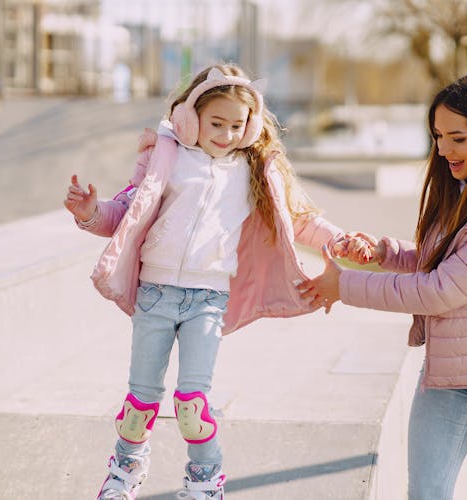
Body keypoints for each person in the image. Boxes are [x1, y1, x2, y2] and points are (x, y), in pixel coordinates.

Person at [63, 63, 358, 500]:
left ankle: (205, 481)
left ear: (251, 126)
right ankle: (125, 470)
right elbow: (125, 213)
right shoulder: (166, 158)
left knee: (191, 406)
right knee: (140, 403)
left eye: (237, 126)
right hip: (155, 293)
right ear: (189, 118)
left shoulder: (254, 170)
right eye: (215, 123)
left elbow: (298, 220)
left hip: (208, 298)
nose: (225, 134)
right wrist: (89, 212)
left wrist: (343, 241)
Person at [298, 73, 467, 500]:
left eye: (456, 138)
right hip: (450, 372)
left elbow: (441, 290)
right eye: (438, 136)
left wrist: (343, 286)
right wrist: (383, 254)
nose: (442, 150)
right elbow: (444, 259)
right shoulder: (463, 185)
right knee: (426, 493)